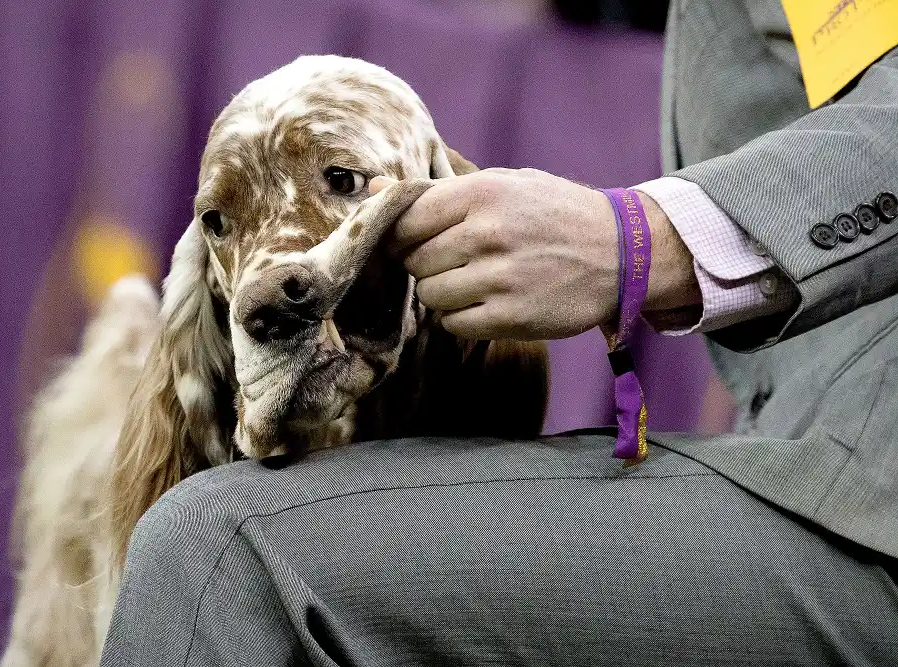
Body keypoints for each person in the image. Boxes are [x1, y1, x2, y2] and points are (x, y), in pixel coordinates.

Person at [101, 2, 898, 665]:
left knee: (215, 553)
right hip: (809, 469)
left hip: (869, 514)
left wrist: (637, 239)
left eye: (343, 182)